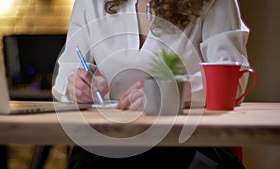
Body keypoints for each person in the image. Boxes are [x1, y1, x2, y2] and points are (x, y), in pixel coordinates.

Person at [52, 0, 249, 168]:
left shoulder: (214, 2)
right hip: (111, 139)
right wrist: (76, 87)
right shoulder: (91, 2)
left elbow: (233, 80)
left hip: (190, 139)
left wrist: (173, 92)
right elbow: (68, 71)